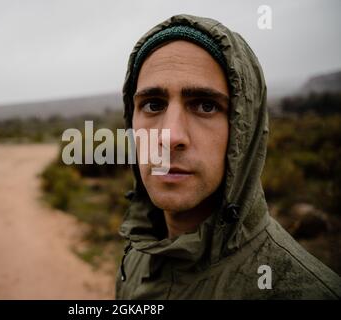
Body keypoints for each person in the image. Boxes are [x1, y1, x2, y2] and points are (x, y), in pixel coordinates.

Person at [115, 14, 341, 299]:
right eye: (153, 104)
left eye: (206, 106)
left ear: (244, 131)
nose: (170, 136)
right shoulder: (137, 255)